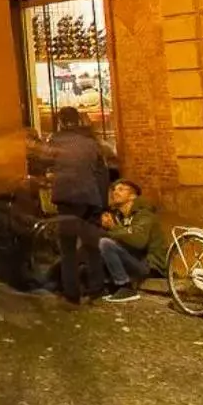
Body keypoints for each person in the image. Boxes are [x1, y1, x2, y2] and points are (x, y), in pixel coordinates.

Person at [46, 107, 110, 304]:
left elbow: (42, 163)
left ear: (62, 122)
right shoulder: (91, 142)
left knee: (68, 248)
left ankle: (72, 293)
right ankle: (96, 290)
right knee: (92, 246)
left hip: (67, 199)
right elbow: (102, 173)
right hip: (91, 199)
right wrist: (102, 203)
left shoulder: (56, 140)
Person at [96, 179, 161, 302]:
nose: (115, 192)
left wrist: (113, 228)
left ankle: (125, 286)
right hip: (134, 259)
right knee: (98, 240)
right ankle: (108, 284)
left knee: (105, 243)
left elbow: (138, 241)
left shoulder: (144, 214)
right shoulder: (119, 216)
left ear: (132, 196)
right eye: (114, 190)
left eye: (121, 189)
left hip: (149, 265)